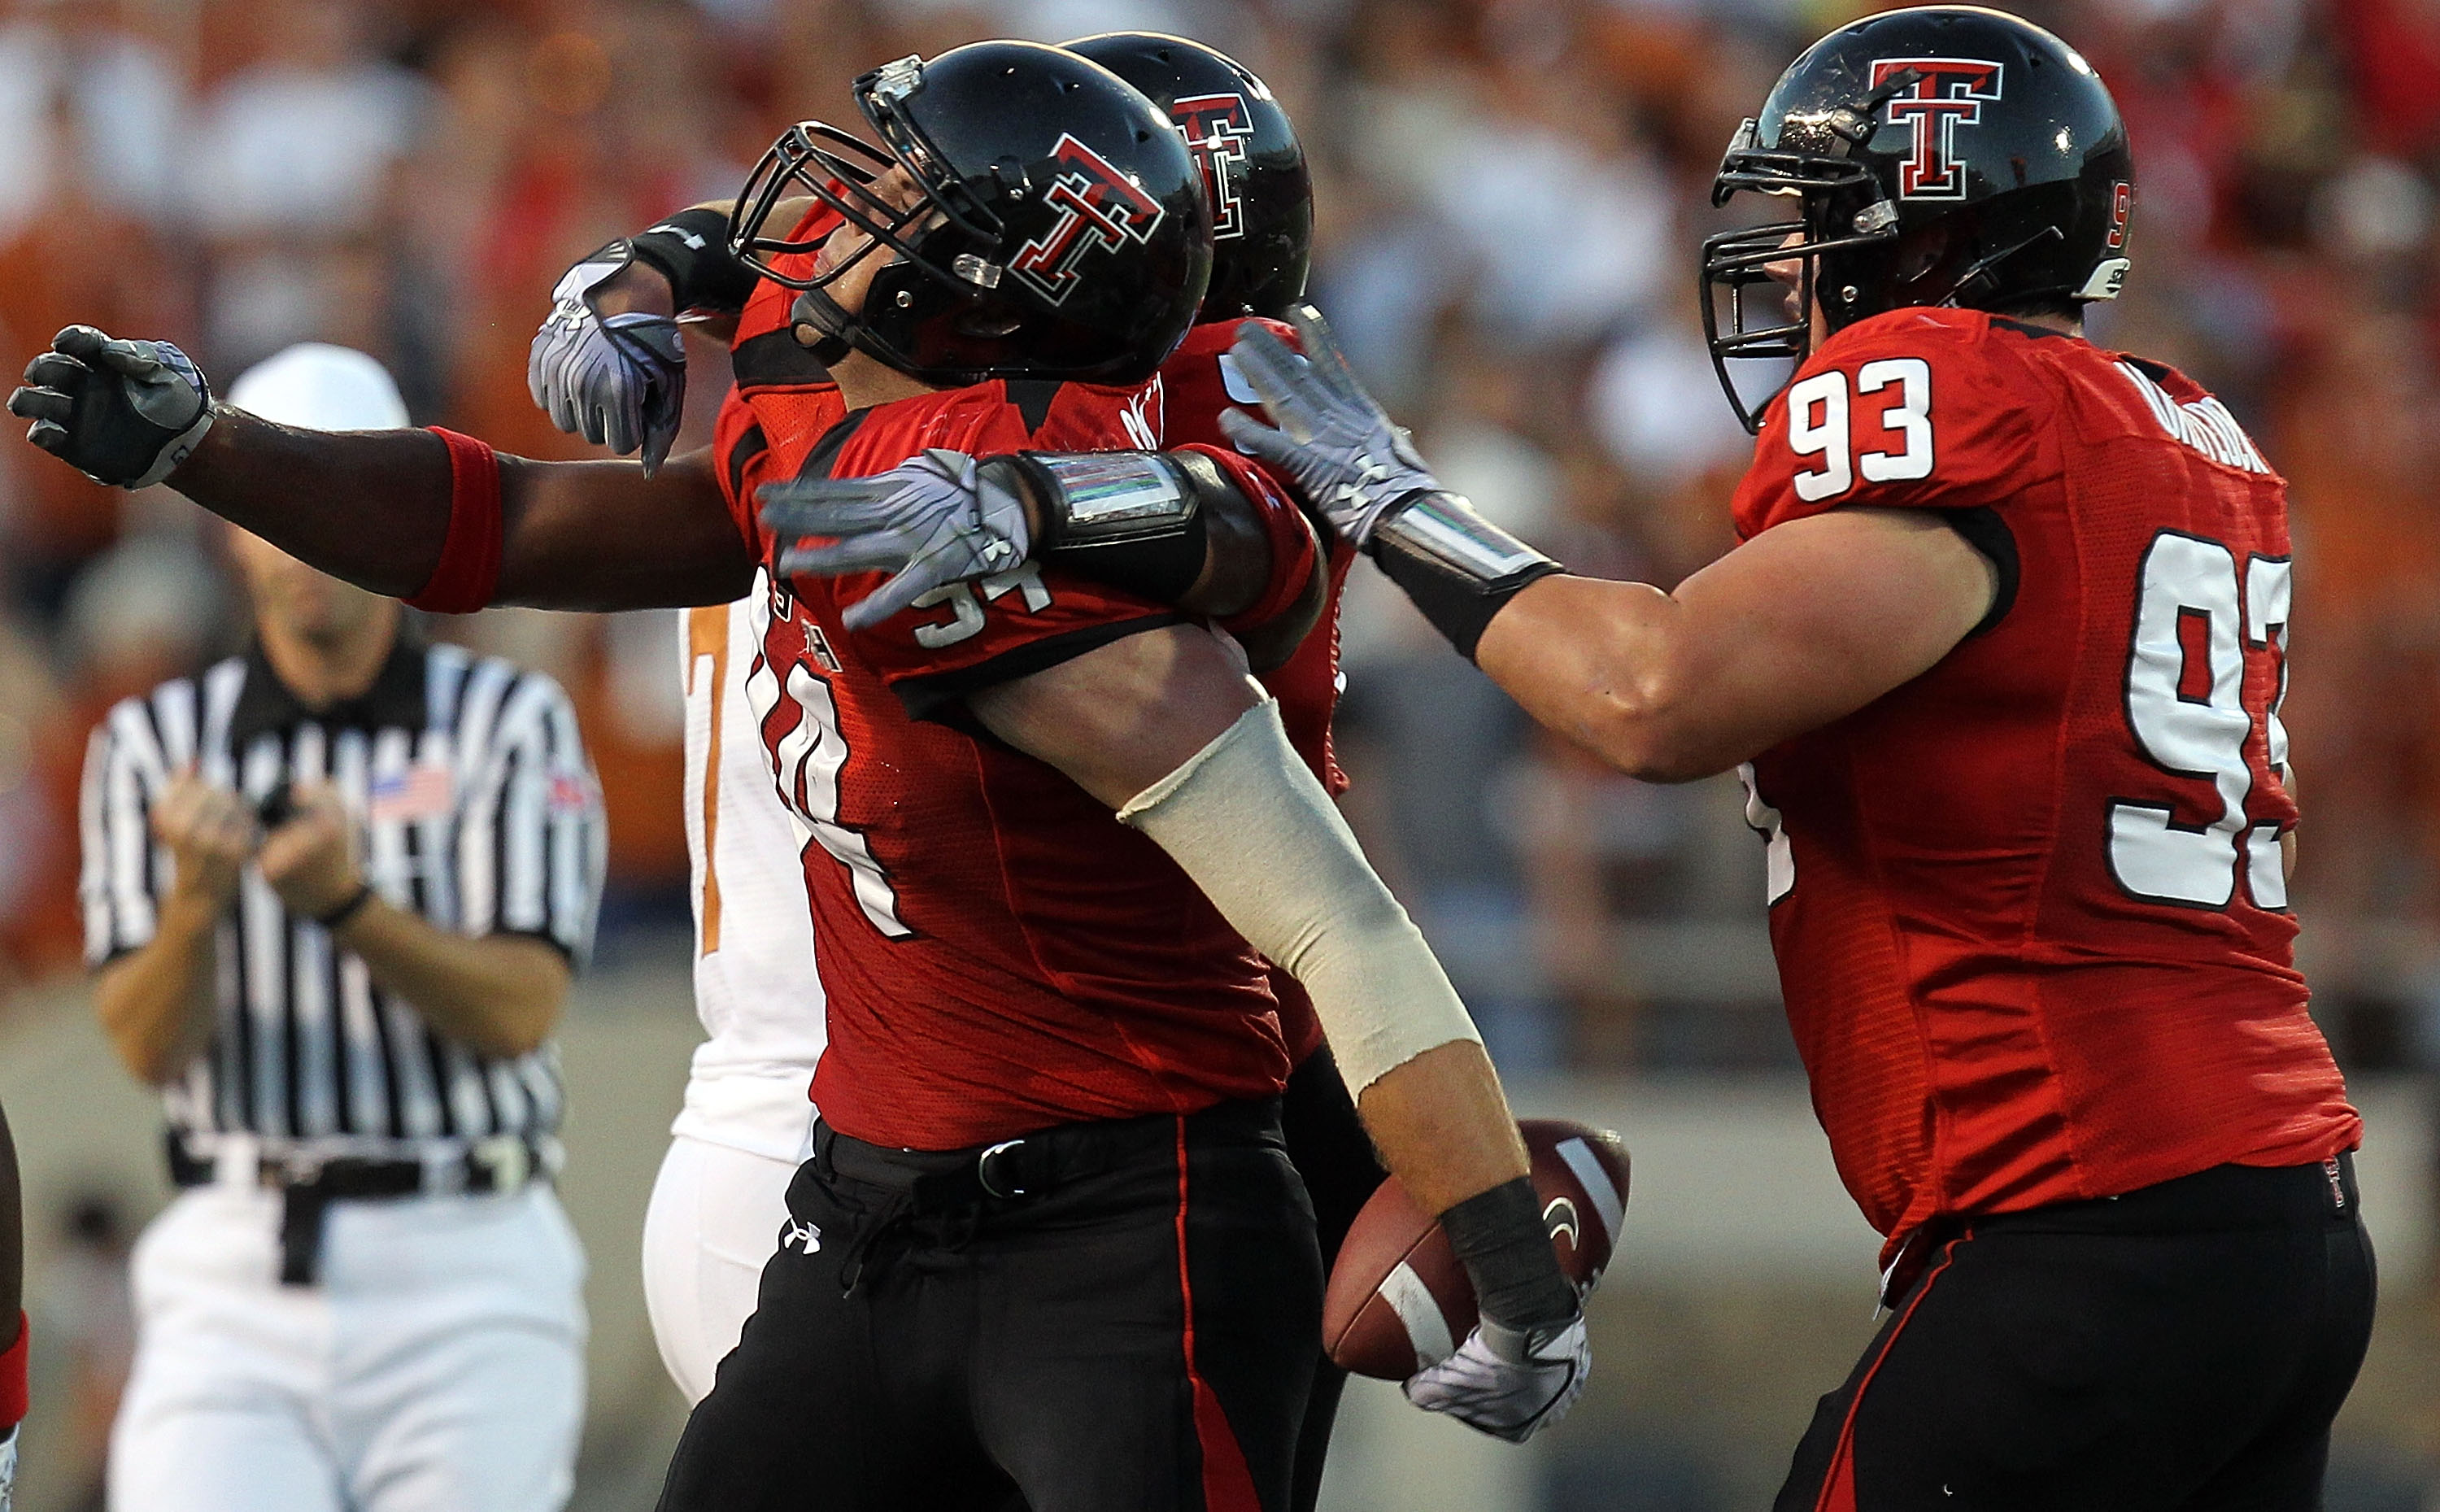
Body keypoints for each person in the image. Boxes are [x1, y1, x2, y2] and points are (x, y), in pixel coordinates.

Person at [774, 9, 2374, 1509]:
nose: (1786, 284)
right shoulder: (2171, 428)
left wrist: (1387, 495)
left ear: (1925, 236)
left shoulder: (1960, 399)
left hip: (2094, 1213)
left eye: (1810, 237)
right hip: (2277, 1213)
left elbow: (1650, 696)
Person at [15, 41, 1590, 1512]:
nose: (827, 223)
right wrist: (211, 448)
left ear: (997, 281)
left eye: (893, 201)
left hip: (1130, 1213)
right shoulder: (848, 412)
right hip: (865, 1207)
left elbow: (1272, 627)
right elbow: (523, 529)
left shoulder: (1100, 517)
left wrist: (1058, 513)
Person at [527, 32, 1385, 1503]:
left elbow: (764, 293)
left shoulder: (826, 400)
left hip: (821, 1125)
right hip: (943, 1142)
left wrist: (642, 272)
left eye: (941, 210)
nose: (883, 239)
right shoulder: (1026, 435)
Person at [73, 344, 601, 1512]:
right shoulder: (149, 743)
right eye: (277, 509)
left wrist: (352, 912)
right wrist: (200, 906)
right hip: (232, 1260)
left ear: (400, 519)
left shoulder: (508, 722)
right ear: (229, 528)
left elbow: (523, 1011)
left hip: (467, 1258)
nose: (306, 544)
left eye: (340, 505)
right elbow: (146, 1051)